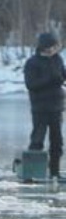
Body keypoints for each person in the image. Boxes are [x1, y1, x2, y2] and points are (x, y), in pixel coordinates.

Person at [24, 31, 66, 178]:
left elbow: (62, 76)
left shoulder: (58, 60)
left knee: (57, 142)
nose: (54, 49)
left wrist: (60, 78)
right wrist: (49, 79)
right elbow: (31, 84)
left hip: (57, 107)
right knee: (37, 140)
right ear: (44, 47)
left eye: (56, 46)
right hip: (40, 108)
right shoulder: (32, 63)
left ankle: (54, 172)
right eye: (52, 46)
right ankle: (32, 172)